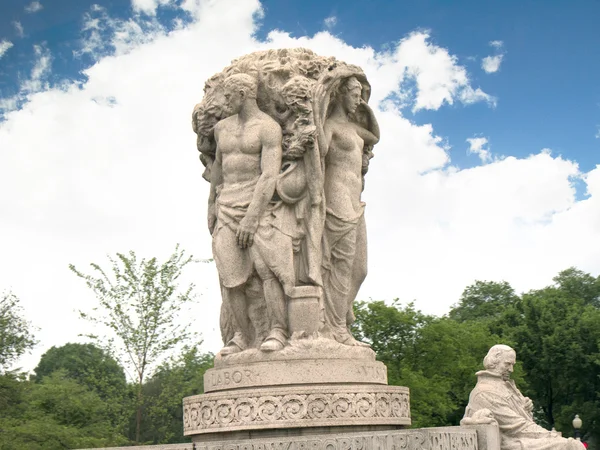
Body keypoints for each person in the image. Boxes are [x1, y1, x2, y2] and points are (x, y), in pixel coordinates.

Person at [209, 73, 296, 354]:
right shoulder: (222, 128)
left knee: (266, 269)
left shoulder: (268, 128)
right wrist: (211, 204)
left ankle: (278, 330)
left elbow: (269, 174)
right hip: (226, 206)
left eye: (228, 96)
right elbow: (218, 170)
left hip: (256, 207)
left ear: (244, 94)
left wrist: (252, 216)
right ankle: (241, 336)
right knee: (230, 277)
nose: (224, 101)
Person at [318, 76, 379, 345]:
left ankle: (340, 315)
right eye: (354, 95)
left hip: (355, 199)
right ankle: (336, 327)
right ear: (340, 94)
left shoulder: (354, 130)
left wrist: (367, 110)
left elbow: (375, 135)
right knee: (339, 264)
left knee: (359, 269)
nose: (358, 99)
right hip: (337, 196)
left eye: (360, 96)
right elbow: (316, 154)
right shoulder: (330, 127)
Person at [462, 345, 585, 450]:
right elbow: (518, 427)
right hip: (511, 444)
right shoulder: (486, 392)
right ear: (494, 362)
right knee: (569, 446)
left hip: (520, 439)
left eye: (512, 365)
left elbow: (525, 422)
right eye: (507, 364)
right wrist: (552, 437)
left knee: (571, 445)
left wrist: (525, 409)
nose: (511, 369)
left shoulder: (504, 386)